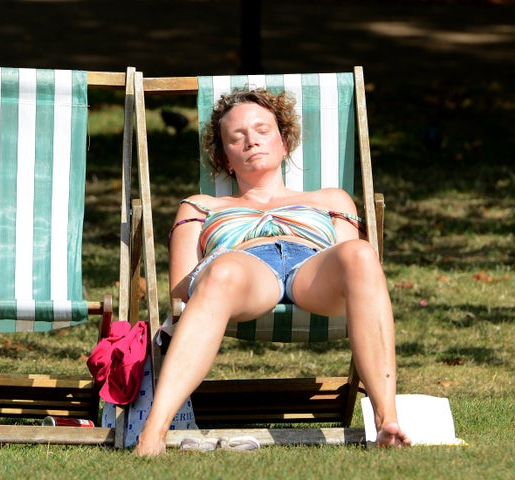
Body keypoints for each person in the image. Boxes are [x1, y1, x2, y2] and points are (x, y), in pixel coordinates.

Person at [133, 87, 411, 456]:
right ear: (225, 157)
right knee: (224, 268)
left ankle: (386, 420)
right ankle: (153, 432)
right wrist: (222, 262)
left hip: (313, 272)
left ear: (284, 142)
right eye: (237, 137)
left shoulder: (331, 199)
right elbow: (181, 291)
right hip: (246, 273)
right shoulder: (202, 206)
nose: (251, 141)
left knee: (361, 253)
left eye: (263, 131)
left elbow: (353, 268)